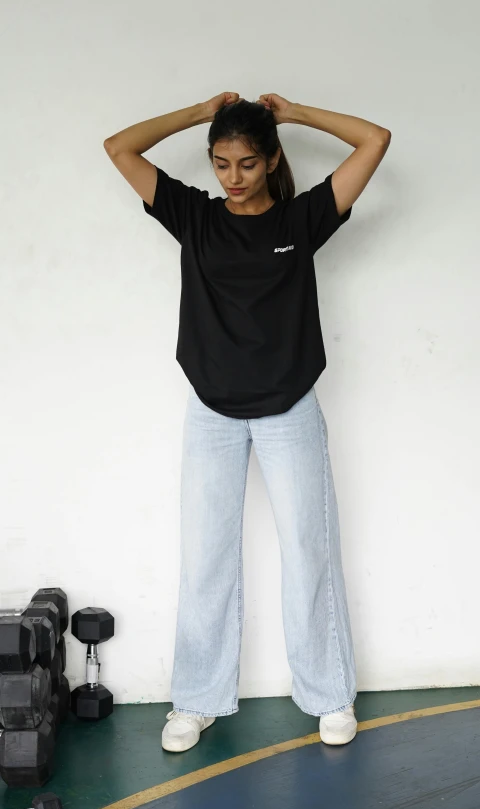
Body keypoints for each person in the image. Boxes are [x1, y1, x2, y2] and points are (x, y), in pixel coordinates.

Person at [104, 92, 391, 752]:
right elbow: (119, 147)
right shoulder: (194, 217)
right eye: (221, 162)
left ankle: (329, 696)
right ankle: (196, 700)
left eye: (247, 163)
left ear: (271, 161)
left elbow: (374, 139)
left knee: (308, 554)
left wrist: (295, 112)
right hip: (212, 412)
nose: (232, 177)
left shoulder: (305, 216)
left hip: (290, 408)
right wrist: (199, 111)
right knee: (205, 561)